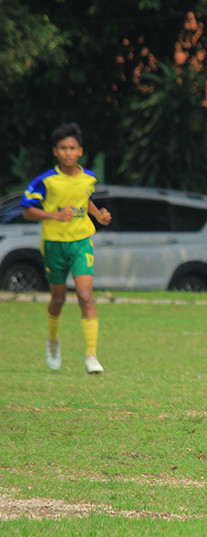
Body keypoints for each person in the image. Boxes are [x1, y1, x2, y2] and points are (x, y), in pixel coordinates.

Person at [21, 122, 112, 374]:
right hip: (54, 245)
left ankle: (92, 356)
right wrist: (54, 215)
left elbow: (87, 199)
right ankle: (53, 341)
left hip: (82, 242)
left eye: (72, 148)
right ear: (55, 151)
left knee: (85, 296)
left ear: (80, 151)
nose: (68, 153)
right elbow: (28, 211)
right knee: (58, 299)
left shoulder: (89, 177)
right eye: (63, 148)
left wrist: (98, 216)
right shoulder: (46, 181)